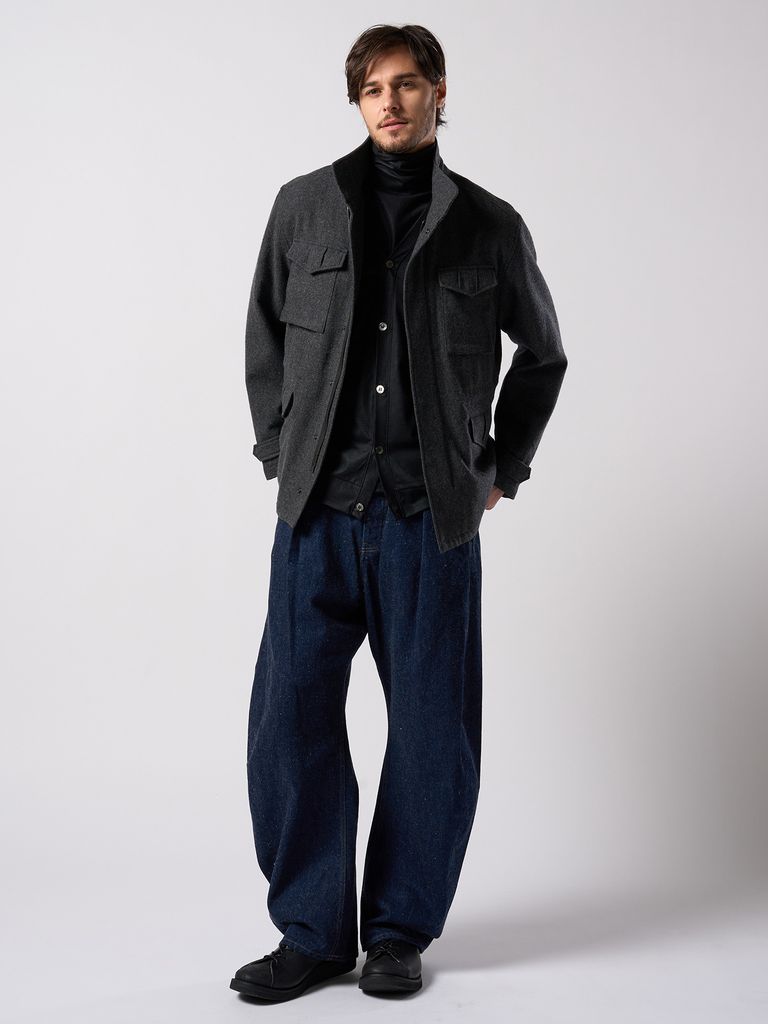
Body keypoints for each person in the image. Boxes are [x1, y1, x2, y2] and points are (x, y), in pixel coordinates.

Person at [230, 23, 567, 1002]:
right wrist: (280, 453)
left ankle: (395, 933)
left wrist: (501, 467)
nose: (391, 101)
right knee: (289, 722)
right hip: (317, 516)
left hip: (430, 521)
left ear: (438, 93)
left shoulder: (488, 224)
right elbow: (262, 336)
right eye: (374, 87)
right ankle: (311, 932)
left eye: (409, 84)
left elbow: (543, 355)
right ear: (357, 100)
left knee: (431, 734)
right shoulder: (302, 207)